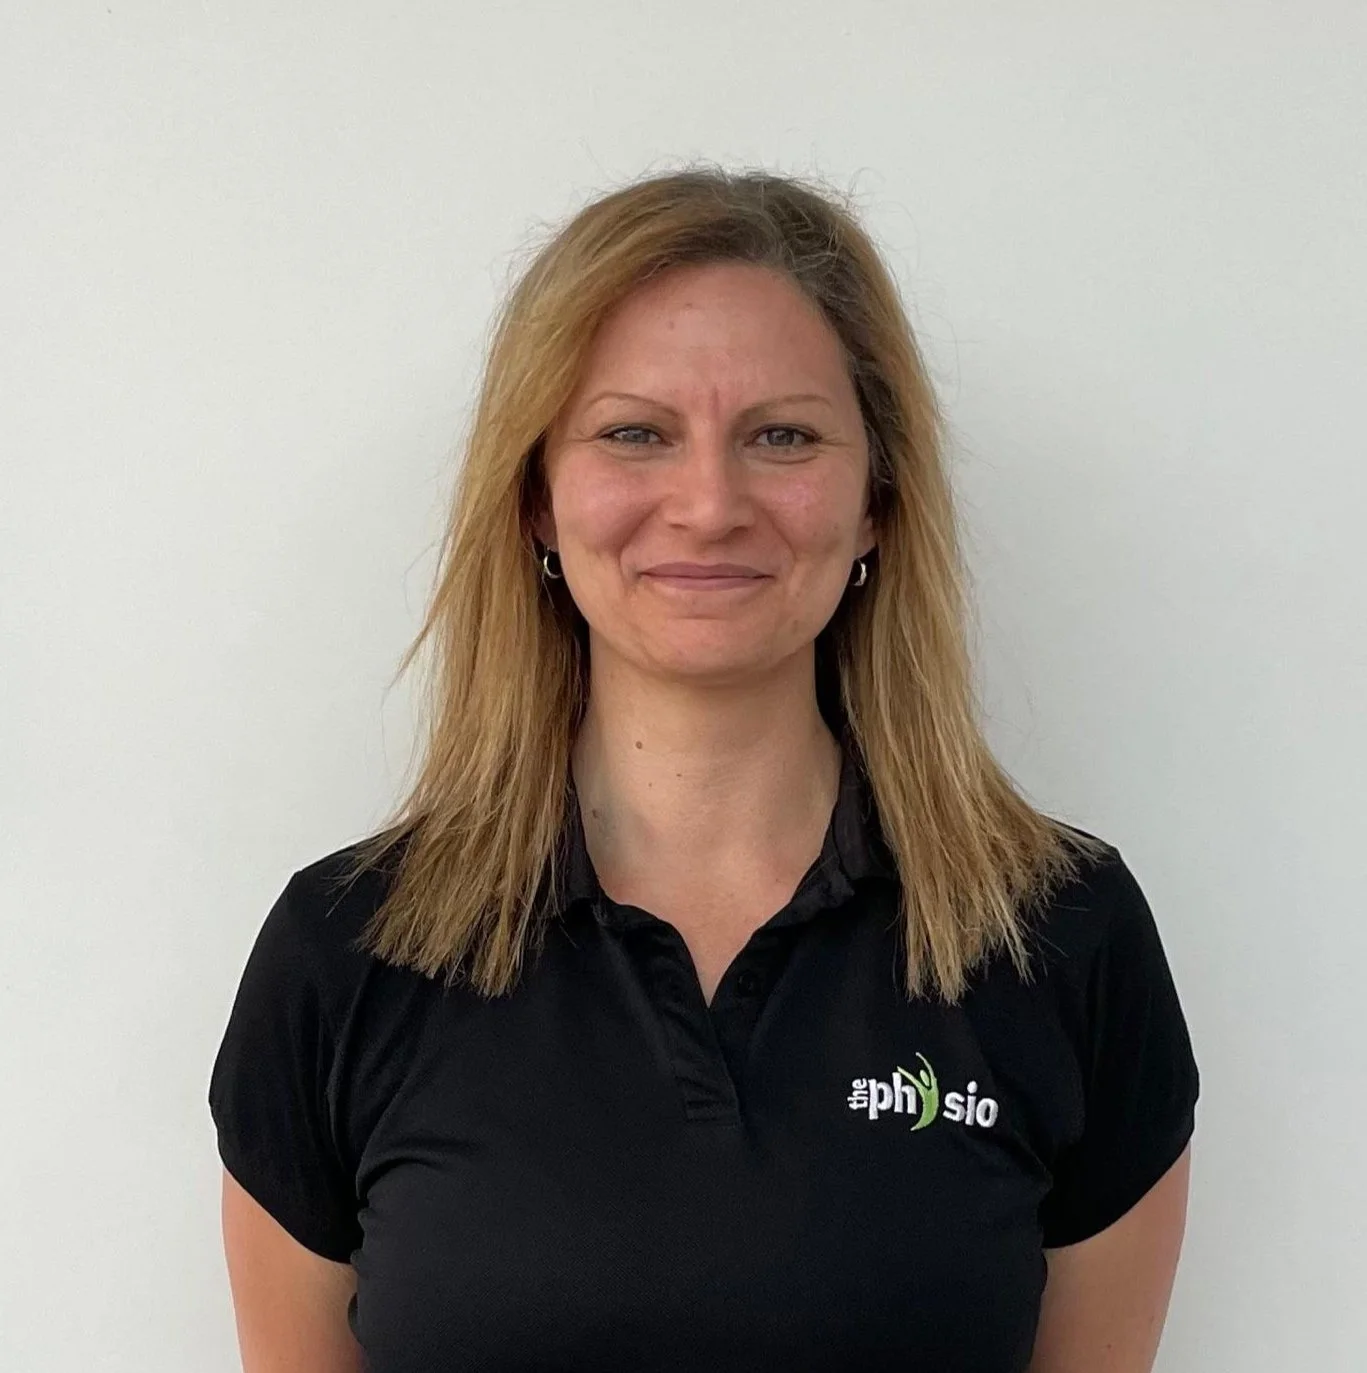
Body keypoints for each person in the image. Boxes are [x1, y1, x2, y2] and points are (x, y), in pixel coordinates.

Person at [208, 165, 1200, 1373]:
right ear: (535, 496)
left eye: (780, 435)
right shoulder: (346, 954)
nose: (708, 502)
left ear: (878, 497)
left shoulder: (1059, 936)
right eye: (635, 433)